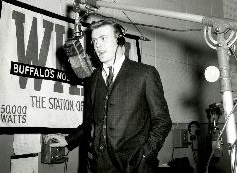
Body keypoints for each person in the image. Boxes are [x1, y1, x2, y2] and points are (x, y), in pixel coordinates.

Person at [45, 20, 172, 173]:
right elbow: (91, 122)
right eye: (94, 41)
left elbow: (162, 122)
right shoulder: (93, 78)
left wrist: (144, 156)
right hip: (95, 166)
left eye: (103, 39)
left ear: (119, 40)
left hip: (133, 167)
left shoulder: (145, 74)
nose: (97, 45)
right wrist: (68, 140)